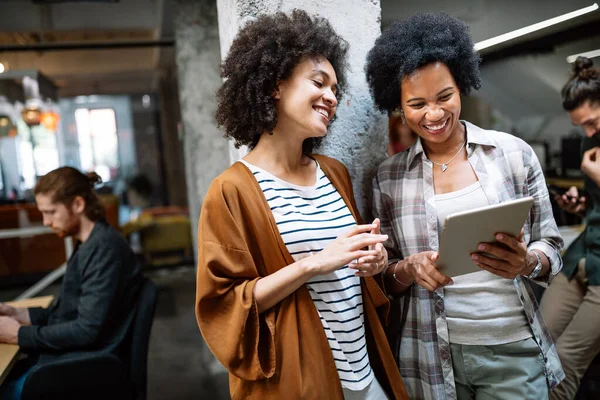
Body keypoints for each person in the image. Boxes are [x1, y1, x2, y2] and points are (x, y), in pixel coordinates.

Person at [196, 10, 408, 399]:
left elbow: (352, 270)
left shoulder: (334, 173)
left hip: (363, 371)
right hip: (299, 379)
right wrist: (314, 263)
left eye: (335, 89)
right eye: (318, 82)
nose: (332, 97)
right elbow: (224, 304)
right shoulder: (231, 191)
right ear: (275, 85)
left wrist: (372, 263)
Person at [365, 12, 564, 399]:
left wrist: (526, 262)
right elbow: (381, 278)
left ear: (462, 85)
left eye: (444, 97)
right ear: (399, 106)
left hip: (512, 347)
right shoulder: (388, 177)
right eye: (417, 103)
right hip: (427, 355)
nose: (434, 114)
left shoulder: (512, 154)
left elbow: (551, 247)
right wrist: (407, 268)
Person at [0, 167, 142, 400]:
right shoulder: (91, 244)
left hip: (83, 366)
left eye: (51, 212)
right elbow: (69, 311)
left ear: (77, 204)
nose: (46, 221)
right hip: (72, 360)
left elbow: (86, 331)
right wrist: (16, 313)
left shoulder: (104, 249)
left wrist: (19, 334)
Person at [540, 56, 600, 400]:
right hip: (583, 253)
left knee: (563, 366)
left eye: (592, 122)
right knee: (537, 344)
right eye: (582, 126)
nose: (589, 132)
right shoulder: (592, 142)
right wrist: (583, 203)